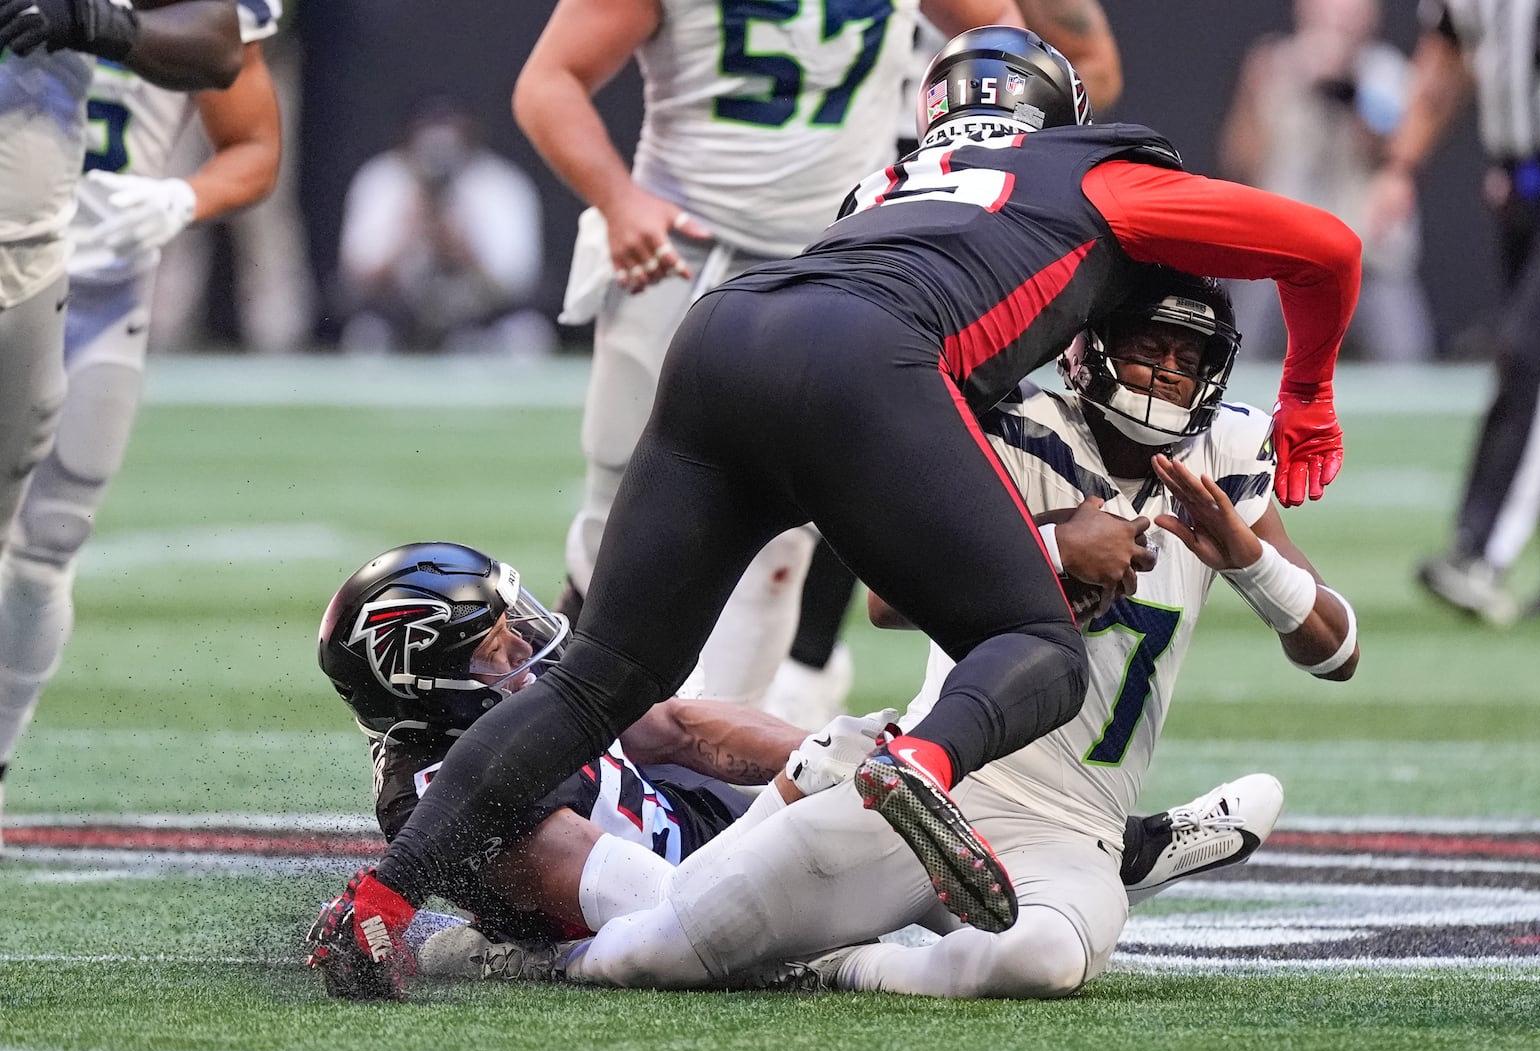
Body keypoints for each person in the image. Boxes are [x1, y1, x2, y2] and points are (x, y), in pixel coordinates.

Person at [322, 26, 1359, 996]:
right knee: (1037, 646)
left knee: (598, 675)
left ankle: (374, 902)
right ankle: (914, 764)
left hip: (724, 329)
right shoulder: (1098, 172)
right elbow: (1324, 247)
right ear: (1062, 116)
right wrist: (1308, 394)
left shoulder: (892, 177)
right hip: (868, 358)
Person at [501, 266, 1357, 999]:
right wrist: (1054, 547)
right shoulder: (1021, 428)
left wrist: (1246, 558)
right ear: (1091, 345)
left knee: (1042, 960)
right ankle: (512, 958)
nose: (1167, 373)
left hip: (1069, 827)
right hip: (927, 788)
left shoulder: (1229, 454)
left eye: (1187, 358)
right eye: (1147, 346)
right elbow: (885, 598)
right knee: (669, 946)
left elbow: (1337, 649)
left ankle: (841, 968)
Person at [305, 539, 1286, 998]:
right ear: (422, 680)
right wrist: (795, 795)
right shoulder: (445, 799)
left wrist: (825, 751)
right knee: (1008, 936)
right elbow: (666, 901)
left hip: (726, 845)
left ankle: (1096, 850)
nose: (521, 648)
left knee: (907, 768)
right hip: (685, 920)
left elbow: (677, 726)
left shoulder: (509, 714)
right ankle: (879, 953)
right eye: (490, 648)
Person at [520, 0, 1124, 711]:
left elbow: (1021, 60)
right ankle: (580, 730)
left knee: (785, 537)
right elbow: (548, 81)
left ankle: (706, 766)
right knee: (618, 521)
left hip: (845, 253)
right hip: (680, 248)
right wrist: (618, 201)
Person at [766, 0, 1124, 731]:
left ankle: (809, 656)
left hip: (952, 189)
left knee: (888, 410)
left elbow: (1096, 74)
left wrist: (999, 124)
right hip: (824, 174)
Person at [0, 0, 245, 840]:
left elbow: (234, 85)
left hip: (96, 287)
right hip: (25, 248)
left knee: (47, 542)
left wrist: (180, 195)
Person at [1372, 1, 1540, 625]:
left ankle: (1480, 554)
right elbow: (1444, 61)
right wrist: (1400, 167)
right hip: (1526, 185)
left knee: (1536, 353)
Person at [1218, 0, 1433, 365]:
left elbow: (1394, 150)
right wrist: (1253, 92)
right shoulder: (1278, 66)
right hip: (1283, 254)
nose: (1338, 17)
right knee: (1237, 360)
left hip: (1368, 255)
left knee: (1408, 369)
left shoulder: (1388, 71)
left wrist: (1346, 86)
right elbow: (1240, 160)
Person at [337, 99, 550, 356]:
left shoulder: (500, 183)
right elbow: (355, 278)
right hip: (403, 313)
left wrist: (464, 249)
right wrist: (406, 235)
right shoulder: (382, 179)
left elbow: (518, 280)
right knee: (366, 336)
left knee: (527, 335)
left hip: (477, 313)